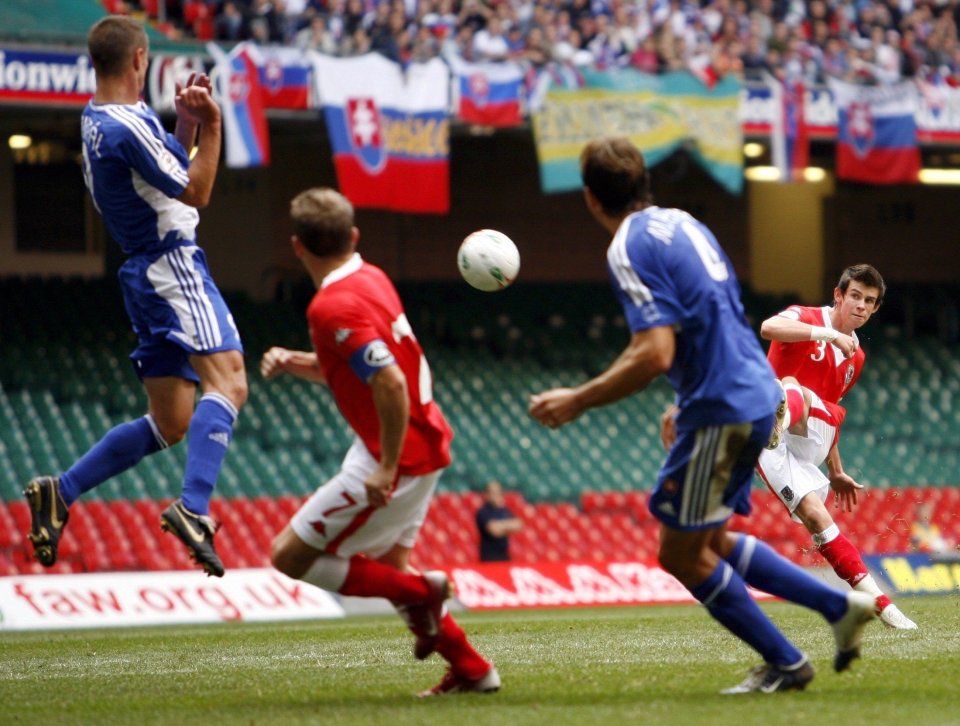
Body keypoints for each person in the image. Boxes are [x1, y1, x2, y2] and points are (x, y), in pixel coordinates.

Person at [529, 135, 878, 694]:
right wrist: (686, 398)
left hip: (722, 405)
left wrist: (577, 399)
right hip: (754, 394)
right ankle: (836, 606)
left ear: (592, 199)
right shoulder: (685, 223)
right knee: (708, 543)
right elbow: (718, 316)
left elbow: (654, 351)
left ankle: (788, 660)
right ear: (645, 179)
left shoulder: (626, 247)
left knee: (679, 554)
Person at [23, 16, 246, 578]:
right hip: (172, 264)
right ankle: (194, 508)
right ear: (140, 60)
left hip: (144, 273)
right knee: (231, 382)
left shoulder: (100, 118)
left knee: (170, 420)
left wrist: (188, 123)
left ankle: (62, 490)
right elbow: (196, 190)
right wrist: (215, 125)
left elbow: (162, 167)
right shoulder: (127, 123)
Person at [260, 187, 499, 698]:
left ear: (297, 247)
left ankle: (424, 592)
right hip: (421, 438)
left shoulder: (331, 306)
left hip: (397, 452)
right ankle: (473, 669)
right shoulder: (371, 277)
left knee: (288, 555)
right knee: (388, 567)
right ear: (353, 236)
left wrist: (386, 467)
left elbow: (388, 381)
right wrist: (296, 361)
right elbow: (362, 369)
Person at [757, 265, 918, 630]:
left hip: (804, 429)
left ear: (875, 309)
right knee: (817, 518)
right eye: (856, 296)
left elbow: (826, 410)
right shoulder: (805, 316)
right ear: (838, 295)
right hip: (769, 441)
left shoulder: (855, 358)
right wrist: (826, 334)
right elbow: (768, 328)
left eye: (870, 301)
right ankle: (882, 605)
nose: (861, 306)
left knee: (795, 390)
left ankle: (780, 413)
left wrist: (836, 469)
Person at [475, 480, 523, 562]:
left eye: (498, 492)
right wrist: (508, 528)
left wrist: (501, 526)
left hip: (504, 555)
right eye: (493, 492)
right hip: (489, 557)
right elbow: (494, 531)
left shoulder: (503, 510)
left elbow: (518, 524)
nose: (496, 495)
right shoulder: (483, 512)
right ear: (486, 494)